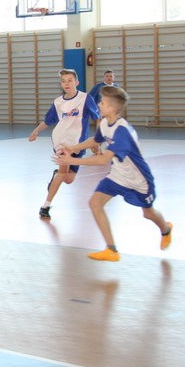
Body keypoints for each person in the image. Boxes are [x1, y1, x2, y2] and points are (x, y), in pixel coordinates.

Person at [53, 85, 173, 262]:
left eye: (102, 102)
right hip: (118, 175)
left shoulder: (122, 131)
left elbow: (103, 159)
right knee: (95, 203)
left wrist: (72, 161)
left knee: (148, 213)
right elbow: (95, 140)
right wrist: (72, 148)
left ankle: (166, 229)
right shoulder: (104, 123)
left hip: (139, 180)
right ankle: (111, 250)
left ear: (112, 108)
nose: (99, 105)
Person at [28, 69, 100, 219]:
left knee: (68, 179)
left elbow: (97, 117)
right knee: (62, 174)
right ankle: (45, 206)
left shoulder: (85, 98)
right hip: (62, 141)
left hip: (78, 144)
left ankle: (56, 176)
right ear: (61, 84)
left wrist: (97, 140)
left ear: (76, 82)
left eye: (69, 80)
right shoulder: (58, 102)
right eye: (63, 81)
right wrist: (36, 131)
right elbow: (48, 120)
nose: (66, 83)